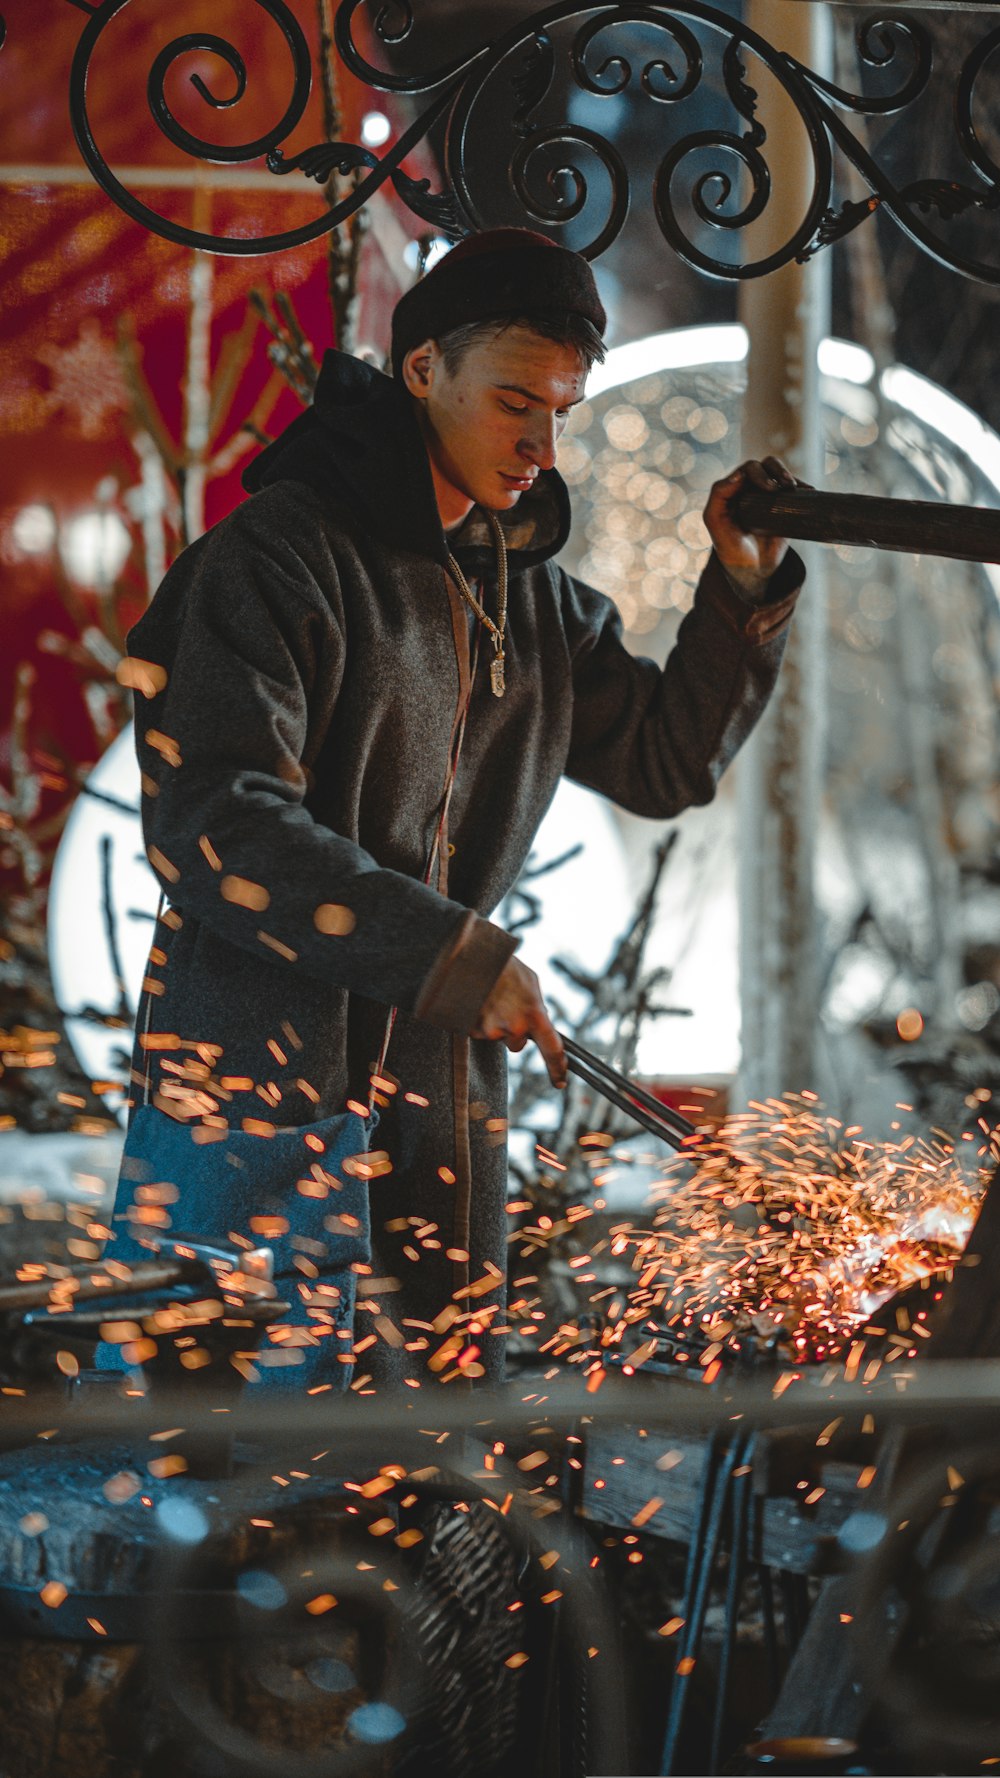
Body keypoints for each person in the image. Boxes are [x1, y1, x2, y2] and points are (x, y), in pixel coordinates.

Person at [106, 228, 804, 1392]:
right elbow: (216, 818)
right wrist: (446, 951)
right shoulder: (277, 560)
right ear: (422, 369)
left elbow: (662, 759)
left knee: (418, 1451)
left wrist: (739, 579)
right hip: (259, 1082)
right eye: (512, 402)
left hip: (433, 1098)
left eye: (561, 412)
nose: (538, 444)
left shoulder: (523, 594)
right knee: (236, 1476)